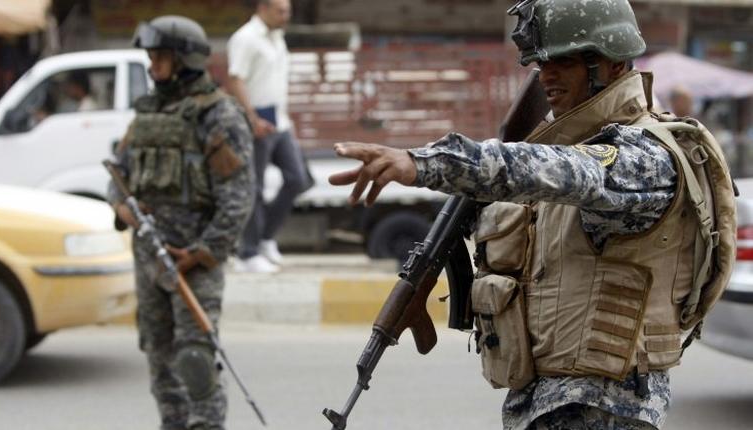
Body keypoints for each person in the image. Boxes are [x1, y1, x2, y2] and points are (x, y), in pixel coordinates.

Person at [327, 1, 732, 429]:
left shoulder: (644, 156)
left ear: (611, 64)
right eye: (541, 64)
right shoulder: (559, 149)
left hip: (606, 406)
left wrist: (424, 163)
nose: (546, 76)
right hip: (541, 404)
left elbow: (569, 172)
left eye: (564, 62)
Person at [106, 15, 254, 430]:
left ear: (183, 59)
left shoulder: (219, 116)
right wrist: (122, 208)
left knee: (194, 361)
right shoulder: (147, 116)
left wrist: (201, 253)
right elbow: (118, 177)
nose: (151, 65)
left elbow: (238, 198)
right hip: (150, 260)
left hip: (195, 263)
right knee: (159, 359)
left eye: (159, 56)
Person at [226, 0, 312, 273]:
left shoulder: (277, 38)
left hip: (280, 124)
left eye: (287, 10)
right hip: (256, 124)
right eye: (281, 11)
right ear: (263, 8)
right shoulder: (246, 38)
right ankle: (247, 253)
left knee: (299, 180)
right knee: (254, 188)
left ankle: (264, 238)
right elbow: (235, 79)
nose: (286, 16)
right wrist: (251, 119)